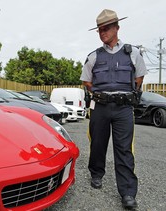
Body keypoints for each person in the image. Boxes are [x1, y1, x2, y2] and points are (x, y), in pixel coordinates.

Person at [80, 9, 147, 210]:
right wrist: (104, 94)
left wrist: (120, 94)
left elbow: (139, 78)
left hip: (123, 109)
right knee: (98, 144)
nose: (103, 32)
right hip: (100, 107)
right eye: (100, 29)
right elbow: (87, 81)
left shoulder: (132, 52)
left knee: (124, 149)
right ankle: (97, 174)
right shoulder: (93, 56)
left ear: (117, 27)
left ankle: (127, 192)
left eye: (106, 28)